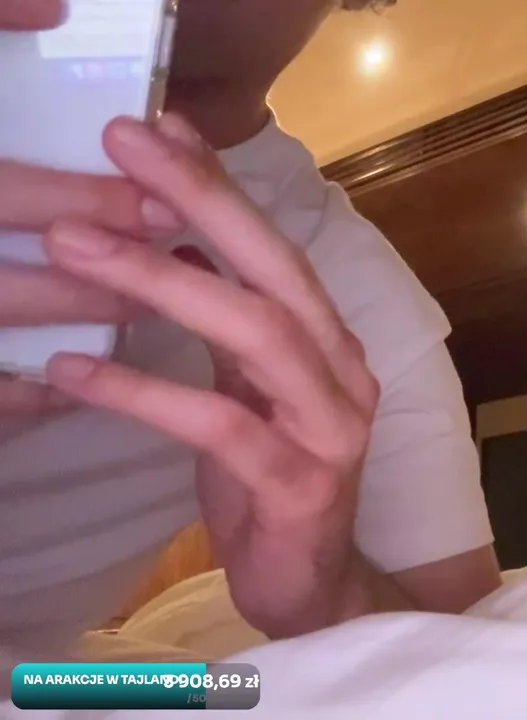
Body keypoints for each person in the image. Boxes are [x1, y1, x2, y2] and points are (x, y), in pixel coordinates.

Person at [0, 0, 500, 665]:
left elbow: (468, 673)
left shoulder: (360, 311)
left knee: (208, 689)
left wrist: (329, 596)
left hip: (39, 681)